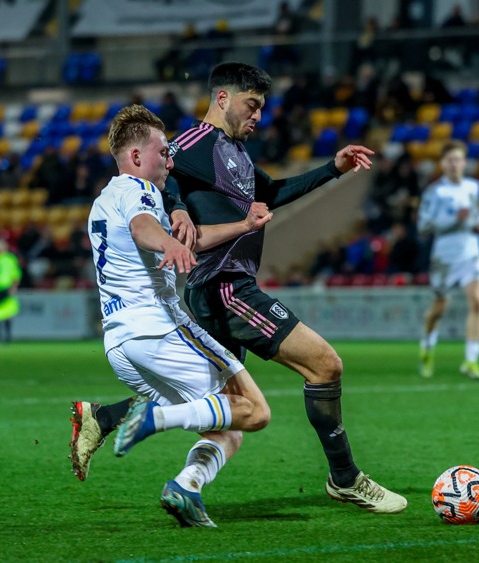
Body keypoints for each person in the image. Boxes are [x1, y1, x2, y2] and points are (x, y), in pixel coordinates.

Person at [78, 62, 407, 515]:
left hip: (228, 283)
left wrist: (333, 168)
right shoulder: (194, 144)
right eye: (252, 106)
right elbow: (161, 175)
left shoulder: (237, 154)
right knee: (324, 365)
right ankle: (346, 478)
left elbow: (270, 194)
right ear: (223, 99)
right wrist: (176, 210)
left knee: (226, 409)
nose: (257, 116)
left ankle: (137, 442)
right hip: (223, 285)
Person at [78, 104, 273, 527]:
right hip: (159, 328)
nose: (170, 161)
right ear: (135, 157)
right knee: (253, 410)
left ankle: (186, 486)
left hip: (121, 343)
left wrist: (243, 226)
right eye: (163, 152)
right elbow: (143, 228)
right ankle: (149, 417)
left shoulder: (105, 199)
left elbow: (185, 237)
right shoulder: (139, 190)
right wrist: (166, 245)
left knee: (226, 427)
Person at [417, 141, 479, 380]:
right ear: (442, 164)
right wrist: (453, 221)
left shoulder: (473, 186)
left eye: (458, 159)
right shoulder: (435, 192)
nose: (454, 164)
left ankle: (471, 360)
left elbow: (474, 213)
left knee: (478, 302)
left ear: (464, 162)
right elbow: (423, 226)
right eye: (449, 160)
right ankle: (427, 346)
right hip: (444, 255)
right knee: (439, 308)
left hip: (470, 250)